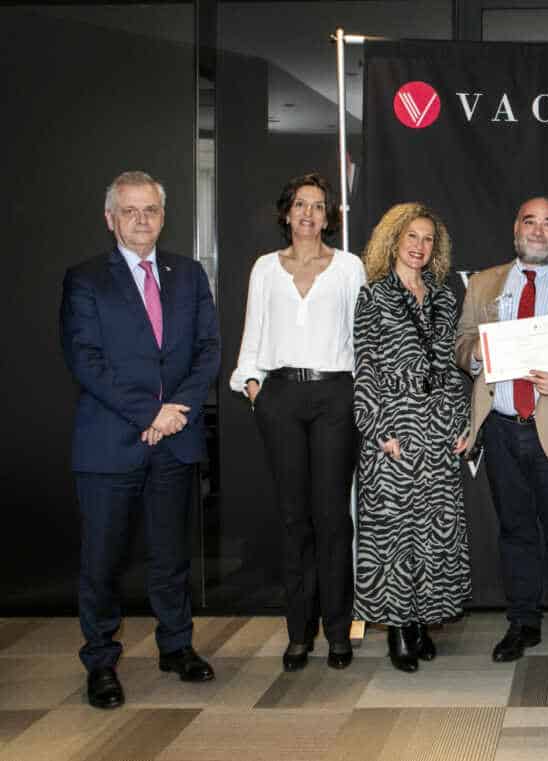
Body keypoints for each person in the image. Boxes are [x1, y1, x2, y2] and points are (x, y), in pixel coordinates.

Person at [60, 170, 221, 709]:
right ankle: (101, 661)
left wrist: (175, 414)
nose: (141, 219)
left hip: (174, 441)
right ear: (110, 219)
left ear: (163, 215)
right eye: (129, 211)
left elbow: (208, 351)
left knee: (171, 556)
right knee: (102, 562)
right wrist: (150, 412)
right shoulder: (86, 279)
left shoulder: (189, 274)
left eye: (150, 209)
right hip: (110, 445)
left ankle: (176, 646)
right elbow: (85, 361)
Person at [230, 173, 366, 672]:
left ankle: (337, 630)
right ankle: (297, 633)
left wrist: (359, 392)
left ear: (329, 217)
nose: (309, 214)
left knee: (332, 518)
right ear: (286, 214)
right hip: (281, 394)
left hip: (336, 394)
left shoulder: (349, 267)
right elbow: (253, 330)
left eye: (318, 206)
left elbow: (363, 337)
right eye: (300, 205)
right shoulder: (265, 268)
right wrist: (252, 384)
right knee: (294, 521)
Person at [455, 197, 548, 664]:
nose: (538, 231)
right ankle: (523, 622)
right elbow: (460, 344)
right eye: (530, 222)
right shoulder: (483, 283)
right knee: (515, 530)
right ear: (516, 229)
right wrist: (480, 354)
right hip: (500, 427)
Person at [352, 203, 473, 673]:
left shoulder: (444, 298)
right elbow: (364, 370)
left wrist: (462, 423)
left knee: (434, 534)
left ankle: (422, 620)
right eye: (412, 237)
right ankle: (399, 629)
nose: (420, 246)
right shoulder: (373, 297)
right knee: (394, 535)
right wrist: (379, 429)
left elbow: (449, 369)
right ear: (393, 240)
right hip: (393, 429)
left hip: (439, 427)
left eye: (428, 239)